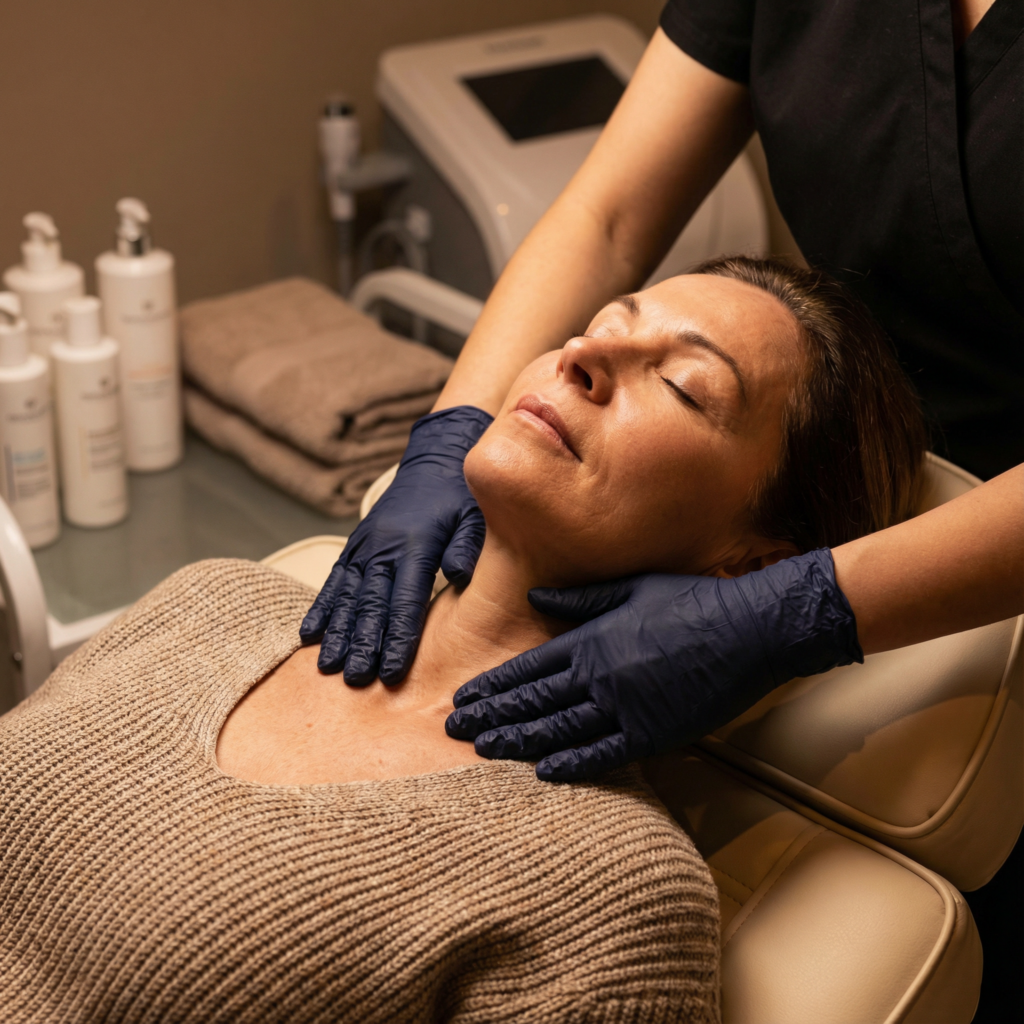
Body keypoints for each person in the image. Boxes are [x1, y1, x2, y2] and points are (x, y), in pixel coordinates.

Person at [1, 259, 921, 1022]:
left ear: (753, 571)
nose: (585, 353)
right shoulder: (214, 600)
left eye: (683, 385)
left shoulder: (609, 892)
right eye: (602, 322)